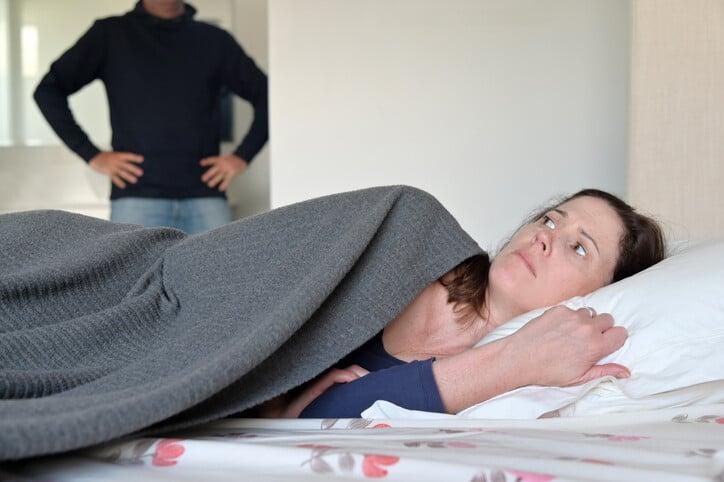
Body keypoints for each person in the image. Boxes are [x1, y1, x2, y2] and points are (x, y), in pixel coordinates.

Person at [259, 189, 666, 418]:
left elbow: (324, 415)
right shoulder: (418, 242)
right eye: (550, 220)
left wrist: (292, 408)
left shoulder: (509, 394)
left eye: (578, 248)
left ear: (596, 296)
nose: (545, 236)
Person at [33, 0, 268, 234]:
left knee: (220, 271)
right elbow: (48, 91)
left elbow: (268, 95)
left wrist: (242, 156)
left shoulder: (215, 40)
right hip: (136, 198)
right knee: (136, 272)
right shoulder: (110, 34)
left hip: (205, 196)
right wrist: (91, 154)